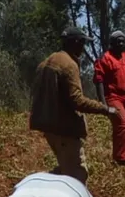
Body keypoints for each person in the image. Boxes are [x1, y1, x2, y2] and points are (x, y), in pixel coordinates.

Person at [30, 28, 111, 183]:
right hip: (64, 130)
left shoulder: (47, 61)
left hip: (50, 128)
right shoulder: (68, 65)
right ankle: (49, 191)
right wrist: (105, 109)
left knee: (65, 168)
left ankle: (46, 186)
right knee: (77, 176)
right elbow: (77, 101)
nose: (83, 47)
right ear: (74, 43)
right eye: (82, 43)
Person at [93, 31, 125, 166]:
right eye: (118, 41)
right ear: (112, 43)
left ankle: (121, 157)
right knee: (124, 126)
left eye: (123, 41)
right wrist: (104, 105)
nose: (121, 44)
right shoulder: (105, 59)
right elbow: (98, 80)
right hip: (113, 97)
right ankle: (123, 160)